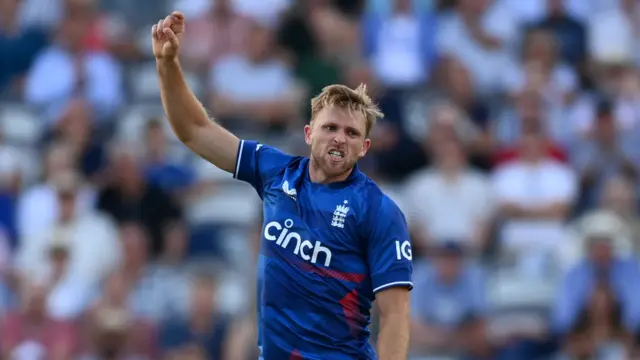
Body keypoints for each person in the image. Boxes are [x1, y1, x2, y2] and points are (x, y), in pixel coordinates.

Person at [151, 11, 413, 360]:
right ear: (308, 134)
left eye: (352, 133)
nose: (339, 139)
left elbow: (395, 316)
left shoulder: (379, 211)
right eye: (330, 128)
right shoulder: (277, 173)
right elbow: (194, 131)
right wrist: (167, 64)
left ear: (364, 147)